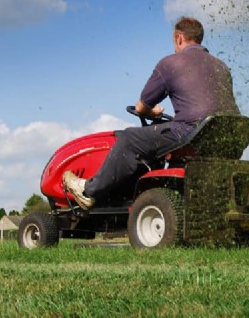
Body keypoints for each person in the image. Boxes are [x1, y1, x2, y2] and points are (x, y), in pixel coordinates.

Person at [63, 17, 239, 209]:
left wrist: (152, 112)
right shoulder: (221, 65)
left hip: (192, 132)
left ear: (179, 38)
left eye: (174, 42)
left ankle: (89, 191)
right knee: (165, 138)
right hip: (228, 135)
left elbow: (141, 107)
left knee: (129, 138)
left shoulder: (171, 63)